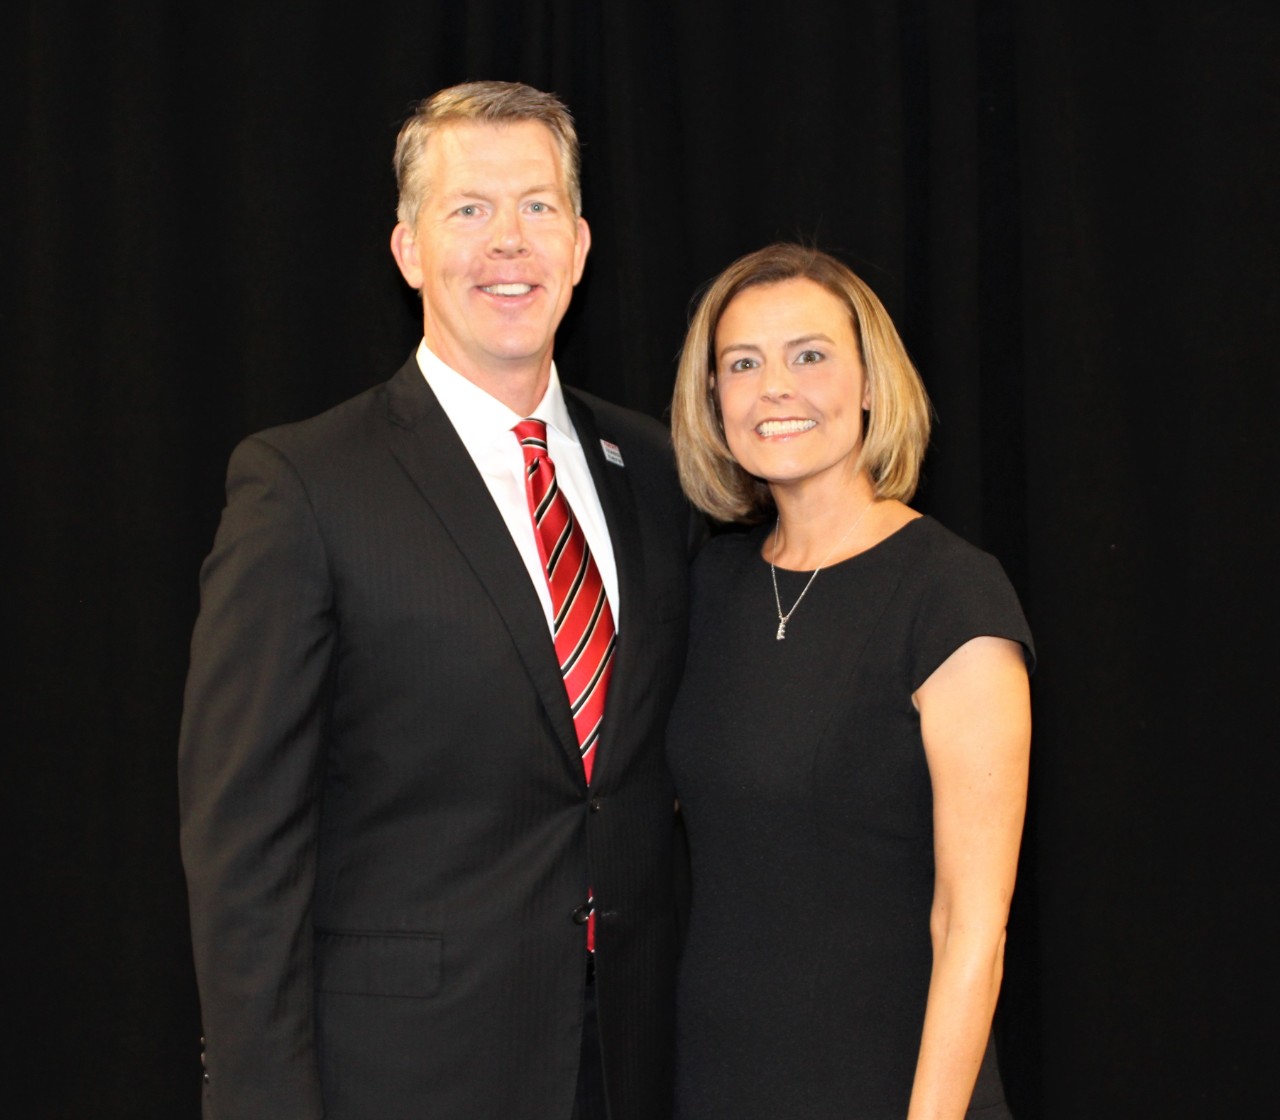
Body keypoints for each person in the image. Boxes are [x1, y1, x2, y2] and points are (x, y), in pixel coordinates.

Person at [179, 81, 699, 1120]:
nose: (509, 241)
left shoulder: (652, 465)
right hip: (403, 1072)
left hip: (630, 1064)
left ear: (582, 243)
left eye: (538, 206)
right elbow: (243, 847)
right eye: (469, 210)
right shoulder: (304, 484)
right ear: (409, 248)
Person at [667, 243, 1034, 1119]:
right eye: (743, 364)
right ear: (714, 400)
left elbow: (971, 930)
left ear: (871, 383)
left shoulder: (950, 592)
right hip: (719, 1083)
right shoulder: (706, 586)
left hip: (893, 1089)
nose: (776, 388)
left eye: (811, 355)